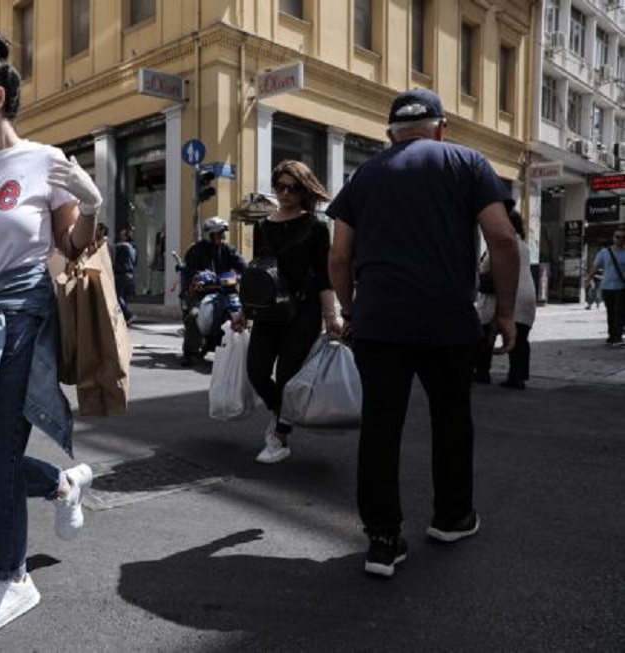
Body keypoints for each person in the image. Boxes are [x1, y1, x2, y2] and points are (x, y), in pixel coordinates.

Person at [0, 32, 100, 634]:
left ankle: (12, 577)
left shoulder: (43, 160)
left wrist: (93, 203)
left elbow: (73, 245)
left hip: (22, 313)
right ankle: (61, 484)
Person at [327, 88, 519, 578]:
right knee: (452, 420)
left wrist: (350, 309)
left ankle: (383, 541)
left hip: (379, 322)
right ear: (441, 127)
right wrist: (505, 313)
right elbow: (501, 236)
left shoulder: (364, 174)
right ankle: (452, 518)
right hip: (447, 322)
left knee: (380, 428)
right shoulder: (468, 162)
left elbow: (339, 257)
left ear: (389, 134)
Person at [235, 160, 340, 464]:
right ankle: (282, 411)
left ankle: (280, 438)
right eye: (279, 186)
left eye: (292, 188)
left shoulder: (316, 227)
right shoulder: (264, 225)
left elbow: (323, 276)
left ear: (303, 189)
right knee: (256, 369)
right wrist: (245, 311)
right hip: (269, 310)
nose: (284, 193)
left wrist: (331, 317)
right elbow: (258, 273)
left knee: (287, 376)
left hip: (304, 311)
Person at [474, 209, 536, 389]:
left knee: (485, 335)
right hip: (526, 295)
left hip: (504, 295)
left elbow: (486, 269)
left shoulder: (501, 243)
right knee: (520, 338)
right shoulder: (523, 245)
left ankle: (482, 372)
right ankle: (518, 377)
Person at [181, 216, 247, 365]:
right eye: (218, 234)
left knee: (241, 311)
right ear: (208, 234)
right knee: (194, 315)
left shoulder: (228, 249)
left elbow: (242, 265)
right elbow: (188, 272)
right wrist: (196, 280)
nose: (221, 237)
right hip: (201, 293)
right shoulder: (195, 250)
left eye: (222, 233)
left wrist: (243, 274)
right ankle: (189, 352)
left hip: (226, 290)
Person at [588, 227, 625, 346]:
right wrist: (588, 278)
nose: (620, 239)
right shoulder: (604, 252)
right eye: (618, 237)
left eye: (623, 237)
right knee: (610, 312)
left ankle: (618, 338)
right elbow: (595, 266)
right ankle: (611, 336)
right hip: (607, 287)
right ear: (613, 238)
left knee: (619, 311)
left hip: (621, 287)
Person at [114, 224, 137, 324]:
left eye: (122, 234)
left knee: (118, 296)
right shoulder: (133, 247)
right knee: (123, 297)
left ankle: (128, 314)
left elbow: (114, 259)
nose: (120, 236)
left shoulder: (120, 246)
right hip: (130, 274)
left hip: (121, 273)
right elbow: (135, 261)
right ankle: (124, 316)